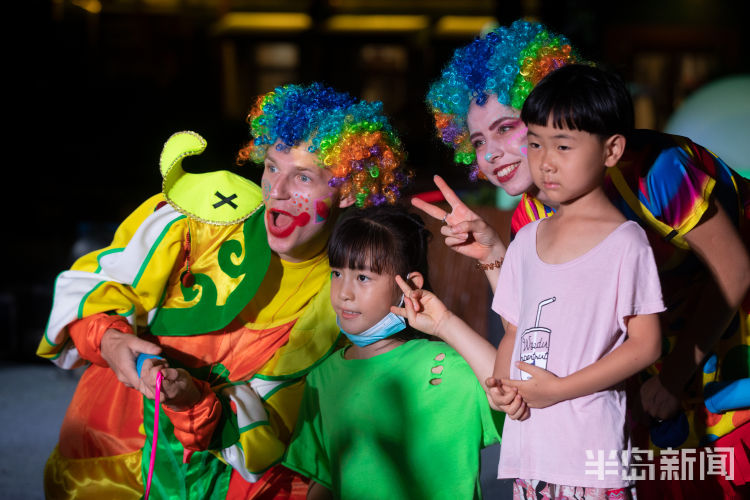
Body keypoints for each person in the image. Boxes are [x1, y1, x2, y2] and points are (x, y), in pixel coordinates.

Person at [419, 19, 750, 498]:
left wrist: (676, 374)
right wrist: (494, 252)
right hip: (665, 337)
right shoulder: (531, 215)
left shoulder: (656, 171)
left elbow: (735, 271)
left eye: (507, 129)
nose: (491, 154)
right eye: (477, 141)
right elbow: (536, 316)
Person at [37, 82, 411, 500]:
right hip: (115, 456)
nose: (278, 192)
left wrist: (190, 400)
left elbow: (279, 429)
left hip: (226, 479)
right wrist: (111, 340)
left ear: (349, 191)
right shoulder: (201, 216)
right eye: (271, 167)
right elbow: (94, 288)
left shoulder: (341, 293)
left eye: (303, 176)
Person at [401, 64, 664, 498]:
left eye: (561, 144)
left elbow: (645, 343)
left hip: (593, 458)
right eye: (537, 143)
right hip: (530, 454)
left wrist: (559, 389)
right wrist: (502, 387)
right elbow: (516, 328)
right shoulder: (526, 236)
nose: (544, 160)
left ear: (610, 149)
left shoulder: (626, 239)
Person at [282, 205, 503, 499]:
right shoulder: (321, 378)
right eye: (336, 273)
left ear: (409, 286)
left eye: (363, 277)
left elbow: (511, 389)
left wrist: (446, 324)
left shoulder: (448, 367)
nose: (343, 292)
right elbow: (327, 480)